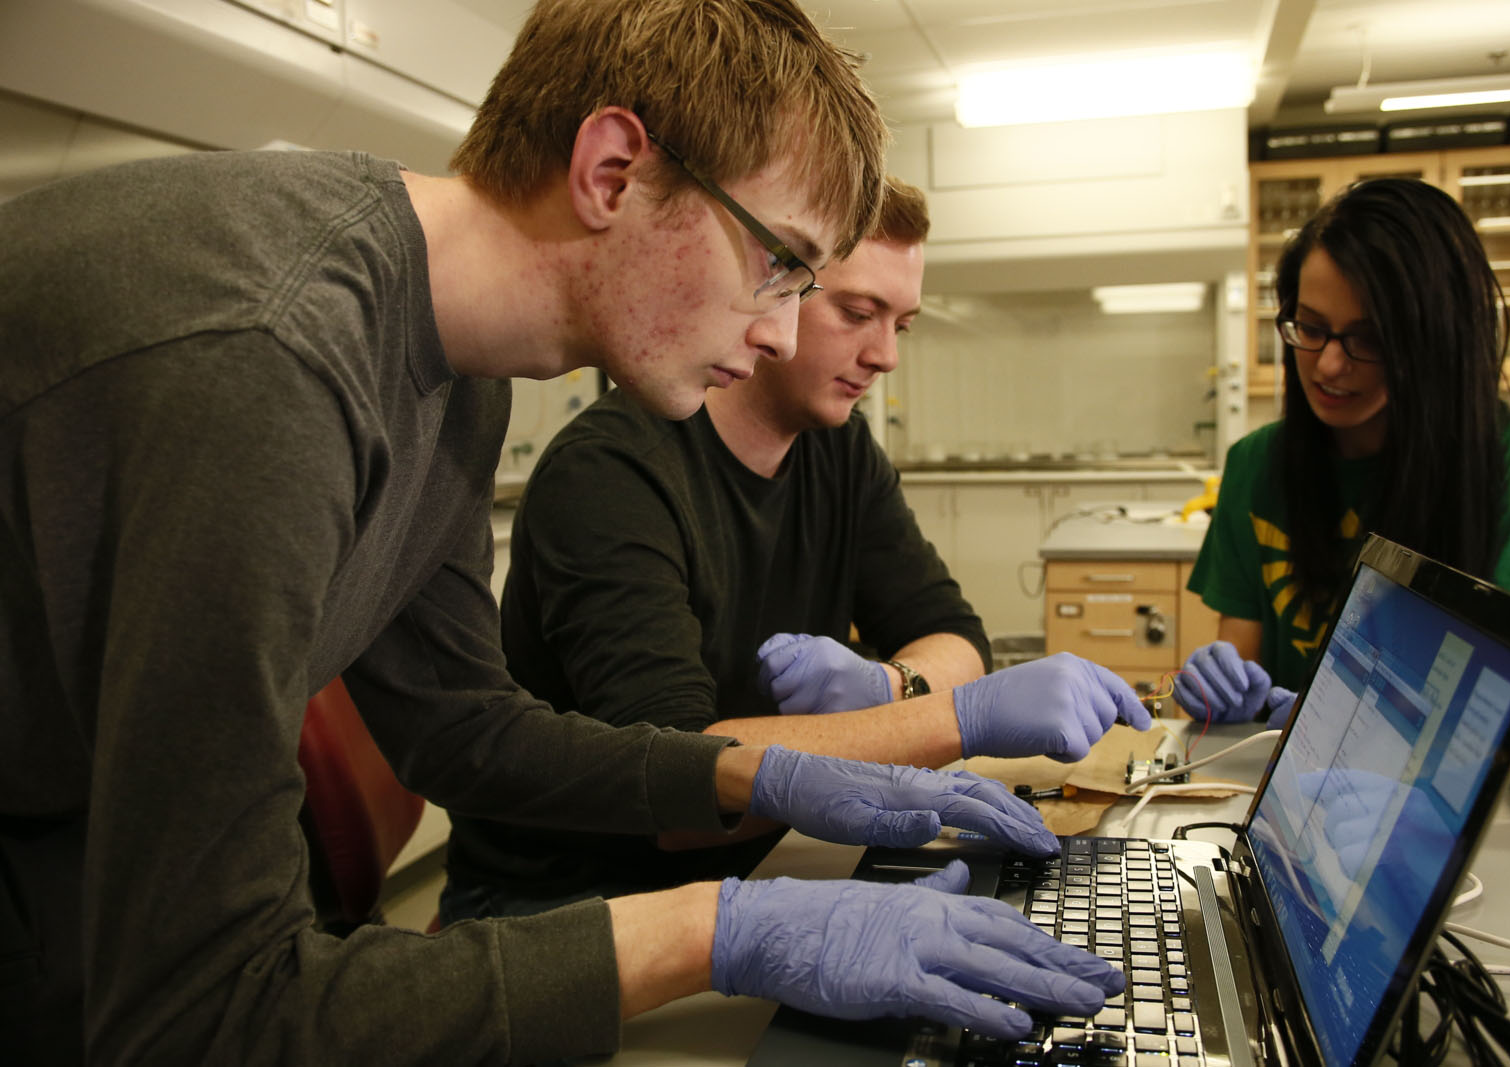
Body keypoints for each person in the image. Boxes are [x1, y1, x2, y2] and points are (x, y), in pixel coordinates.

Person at [0, 1, 1134, 1062]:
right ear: (615, 172)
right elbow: (203, 1007)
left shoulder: (461, 367)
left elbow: (464, 731)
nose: (784, 331)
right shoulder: (269, 361)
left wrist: (755, 774)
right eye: (777, 261)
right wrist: (715, 927)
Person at [443, 176, 1006, 919]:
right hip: (576, 909)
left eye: (901, 325)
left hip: (762, 863)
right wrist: (943, 723)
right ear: (776, 284)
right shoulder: (612, 472)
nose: (884, 356)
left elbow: (954, 635)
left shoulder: (839, 451)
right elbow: (680, 793)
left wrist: (894, 690)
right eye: (858, 312)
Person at [1178, 177, 1510, 727]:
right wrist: (1229, 693)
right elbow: (1242, 653)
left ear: (1437, 340)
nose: (1328, 365)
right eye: (1311, 327)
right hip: (1285, 787)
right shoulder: (1258, 464)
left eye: (1369, 339)